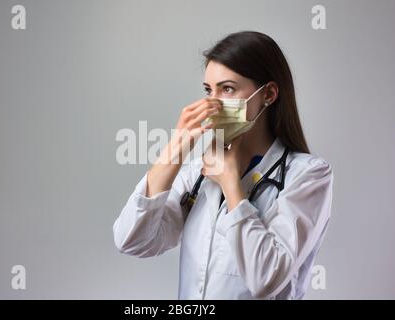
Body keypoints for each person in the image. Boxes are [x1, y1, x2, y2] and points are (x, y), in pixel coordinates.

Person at [113, 31, 333, 300]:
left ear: (269, 94)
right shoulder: (199, 173)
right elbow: (132, 241)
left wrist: (231, 187)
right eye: (208, 90)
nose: (212, 102)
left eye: (227, 89)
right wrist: (176, 148)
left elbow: (266, 278)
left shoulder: (308, 175)